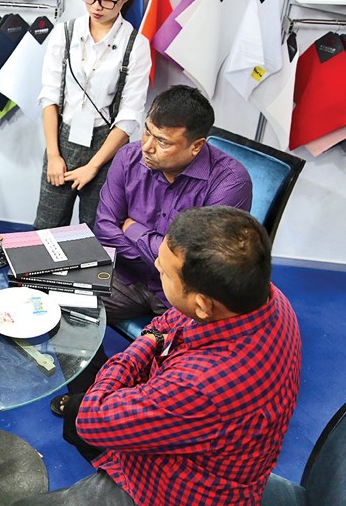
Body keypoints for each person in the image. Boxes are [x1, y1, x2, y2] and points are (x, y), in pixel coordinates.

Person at [17, 206, 302, 506]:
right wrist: (155, 337)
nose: (155, 265)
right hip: (221, 456)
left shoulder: (200, 385)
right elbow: (171, 321)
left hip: (172, 492)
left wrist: (143, 345)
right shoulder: (267, 299)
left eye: (164, 272)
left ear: (204, 304)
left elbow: (92, 419)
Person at [50, 84, 252, 415]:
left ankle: (136, 412)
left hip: (187, 294)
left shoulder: (230, 183)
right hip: (125, 276)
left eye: (163, 142)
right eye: (147, 131)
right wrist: (159, 248)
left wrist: (134, 229)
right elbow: (104, 228)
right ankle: (90, 401)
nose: (147, 146)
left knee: (185, 380)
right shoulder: (128, 157)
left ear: (196, 146)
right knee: (61, 305)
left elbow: (194, 264)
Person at [34, 0, 151, 232]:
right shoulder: (65, 33)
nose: (96, 6)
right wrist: (54, 155)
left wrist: (94, 166)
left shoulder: (136, 46)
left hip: (106, 148)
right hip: (62, 140)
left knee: (96, 233)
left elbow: (128, 118)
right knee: (45, 228)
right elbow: (50, 97)